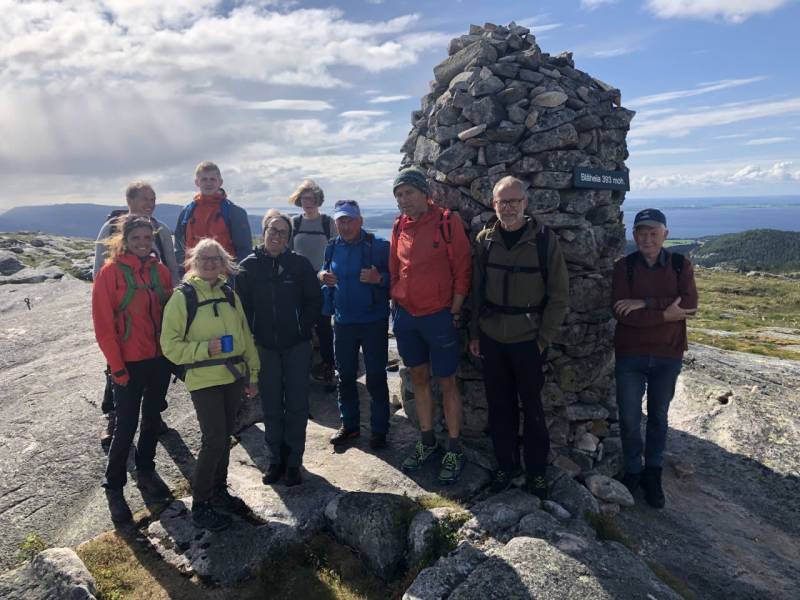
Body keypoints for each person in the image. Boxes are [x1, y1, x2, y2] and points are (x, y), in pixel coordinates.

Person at [469, 176, 569, 499]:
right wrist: (474, 334)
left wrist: (543, 340)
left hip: (529, 341)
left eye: (514, 201)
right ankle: (505, 466)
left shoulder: (543, 241)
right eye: (502, 202)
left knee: (533, 408)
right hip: (492, 338)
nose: (508, 208)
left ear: (525, 203)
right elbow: (475, 292)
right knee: (499, 407)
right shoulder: (484, 240)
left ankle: (536, 472)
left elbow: (559, 295)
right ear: (493, 205)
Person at [161, 238, 260, 531]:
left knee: (224, 435)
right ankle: (201, 503)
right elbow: (169, 345)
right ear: (193, 262)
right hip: (204, 379)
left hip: (232, 377)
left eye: (215, 259)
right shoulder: (183, 297)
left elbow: (245, 335)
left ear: (223, 263)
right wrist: (206, 349)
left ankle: (219, 492)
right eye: (203, 258)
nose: (209, 263)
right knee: (214, 439)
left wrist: (252, 374)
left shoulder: (229, 293)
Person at [390, 167, 472, 485]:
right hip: (407, 316)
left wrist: (454, 308)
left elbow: (463, 267)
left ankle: (454, 447)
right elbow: (394, 268)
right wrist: (397, 301)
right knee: (420, 377)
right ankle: (427, 441)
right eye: (398, 194)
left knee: (447, 380)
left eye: (408, 192)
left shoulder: (446, 222)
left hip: (439, 315)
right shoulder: (399, 226)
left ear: (425, 192)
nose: (403, 199)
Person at [612, 208, 698, 508]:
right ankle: (634, 470)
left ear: (665, 234)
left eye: (653, 233)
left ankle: (653, 473)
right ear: (634, 235)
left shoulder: (679, 264)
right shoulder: (625, 267)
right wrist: (665, 314)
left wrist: (646, 303)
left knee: (659, 419)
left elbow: (689, 306)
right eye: (641, 233)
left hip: (667, 355)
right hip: (630, 355)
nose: (647, 239)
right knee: (629, 418)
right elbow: (623, 315)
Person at [92, 215, 173, 523]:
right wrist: (117, 368)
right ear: (124, 241)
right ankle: (114, 487)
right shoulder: (109, 273)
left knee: (152, 419)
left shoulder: (161, 271)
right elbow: (104, 327)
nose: (142, 243)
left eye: (147, 239)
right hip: (127, 363)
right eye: (136, 239)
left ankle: (147, 470)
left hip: (158, 360)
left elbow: (171, 315)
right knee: (125, 427)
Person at [236, 213, 322, 487]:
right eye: (274, 231)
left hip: (296, 346)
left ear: (289, 237)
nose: (278, 237)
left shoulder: (299, 265)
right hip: (264, 347)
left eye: (284, 233)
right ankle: (275, 461)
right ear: (263, 232)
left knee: (297, 405)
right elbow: (241, 309)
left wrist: (302, 329)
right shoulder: (247, 267)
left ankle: (294, 462)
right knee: (271, 405)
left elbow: (314, 300)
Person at [93, 181, 178, 448]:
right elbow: (100, 268)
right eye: (145, 199)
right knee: (117, 363)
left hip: (155, 305)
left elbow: (171, 266)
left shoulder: (160, 228)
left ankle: (154, 416)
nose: (151, 203)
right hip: (123, 310)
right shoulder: (111, 228)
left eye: (153, 198)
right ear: (130, 201)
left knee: (157, 363)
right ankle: (115, 416)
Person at [320, 200, 391, 449]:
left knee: (375, 378)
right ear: (335, 222)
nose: (345, 225)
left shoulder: (379, 246)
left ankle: (379, 430)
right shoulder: (331, 247)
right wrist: (322, 276)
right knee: (345, 377)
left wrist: (379, 278)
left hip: (374, 322)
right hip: (343, 323)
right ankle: (349, 427)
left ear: (360, 220)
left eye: (350, 220)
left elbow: (400, 279)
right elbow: (325, 271)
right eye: (341, 220)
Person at [288, 180, 337, 388]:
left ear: (318, 200)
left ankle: (328, 369)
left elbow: (336, 250)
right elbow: (287, 252)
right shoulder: (294, 223)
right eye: (304, 198)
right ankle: (300, 371)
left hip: (322, 285)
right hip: (298, 285)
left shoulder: (328, 223)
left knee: (325, 328)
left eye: (312, 198)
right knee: (300, 329)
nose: (307, 202)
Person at [174, 161, 253, 274]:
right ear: (197, 182)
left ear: (220, 182)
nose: (208, 183)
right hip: (193, 279)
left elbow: (244, 251)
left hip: (223, 281)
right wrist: (182, 274)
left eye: (212, 179)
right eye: (204, 179)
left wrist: (235, 279)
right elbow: (179, 247)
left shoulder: (234, 212)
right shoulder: (187, 212)